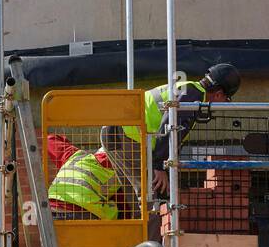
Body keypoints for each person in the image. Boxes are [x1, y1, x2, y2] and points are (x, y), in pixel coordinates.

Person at [101, 63, 241, 201]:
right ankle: (159, 223)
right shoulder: (193, 95)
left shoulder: (189, 89)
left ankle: (144, 222)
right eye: (226, 99)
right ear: (218, 94)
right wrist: (159, 166)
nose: (224, 104)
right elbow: (169, 125)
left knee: (137, 197)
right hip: (125, 133)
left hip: (116, 130)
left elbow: (172, 134)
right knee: (152, 194)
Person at [45, 134, 123, 221]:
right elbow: (124, 209)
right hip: (82, 214)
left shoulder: (75, 156)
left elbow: (49, 139)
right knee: (113, 212)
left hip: (51, 211)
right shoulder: (121, 173)